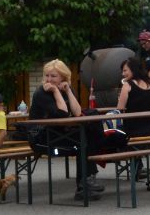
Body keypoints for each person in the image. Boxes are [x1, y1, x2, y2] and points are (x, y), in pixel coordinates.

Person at [28, 60, 105, 199]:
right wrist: (56, 91)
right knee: (84, 140)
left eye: (53, 76)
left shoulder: (67, 89)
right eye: (47, 75)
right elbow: (62, 114)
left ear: (63, 77)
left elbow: (77, 112)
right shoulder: (41, 93)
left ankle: (86, 182)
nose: (49, 79)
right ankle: (85, 184)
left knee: (89, 133)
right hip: (40, 137)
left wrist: (68, 90)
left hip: (58, 132)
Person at [117, 57, 150, 139]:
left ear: (133, 69)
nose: (123, 74)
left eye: (125, 70)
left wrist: (119, 98)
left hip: (133, 130)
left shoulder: (127, 85)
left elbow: (119, 109)